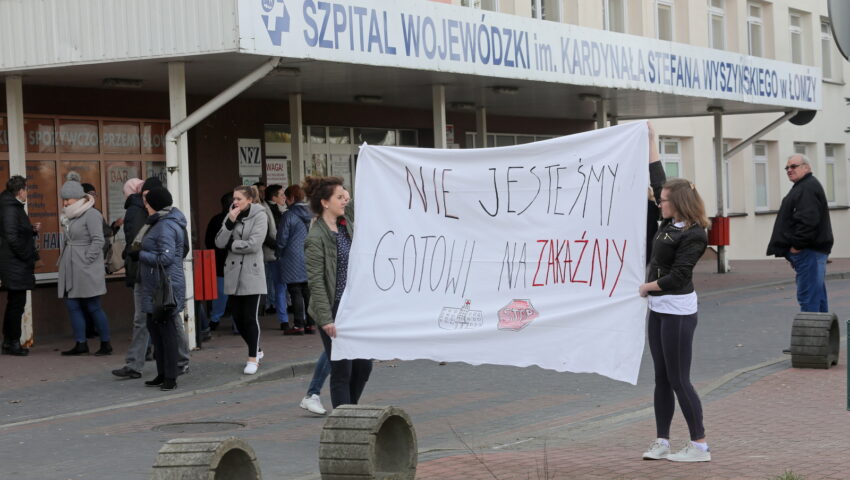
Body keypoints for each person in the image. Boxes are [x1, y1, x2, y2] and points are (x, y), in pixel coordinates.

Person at [639, 163, 711, 463]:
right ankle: (662, 441)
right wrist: (652, 141)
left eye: (665, 200)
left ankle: (699, 446)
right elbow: (659, 182)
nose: (659, 202)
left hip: (678, 311)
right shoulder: (669, 224)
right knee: (661, 379)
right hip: (658, 309)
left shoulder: (695, 235)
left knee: (680, 379)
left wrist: (648, 287)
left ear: (679, 203)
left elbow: (680, 276)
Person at [304, 176, 372, 409]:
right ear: (325, 202)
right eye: (339, 197)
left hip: (355, 308)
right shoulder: (316, 237)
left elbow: (363, 200)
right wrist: (325, 319)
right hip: (334, 310)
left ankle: (349, 413)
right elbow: (316, 282)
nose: (345, 200)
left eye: (346, 196)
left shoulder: (346, 223)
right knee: (342, 368)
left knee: (364, 366)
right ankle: (346, 418)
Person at [766, 154, 833, 313]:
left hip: (808, 252)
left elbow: (808, 221)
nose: (789, 170)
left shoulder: (806, 187)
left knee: (809, 298)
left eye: (793, 166)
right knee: (816, 297)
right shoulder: (804, 186)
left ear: (806, 167)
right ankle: (823, 335)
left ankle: (812, 336)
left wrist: (796, 247)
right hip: (810, 252)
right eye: (787, 167)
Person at [137, 187, 187, 391]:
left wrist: (140, 255)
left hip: (164, 285)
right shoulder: (159, 222)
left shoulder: (165, 225)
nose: (145, 205)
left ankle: (171, 377)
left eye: (147, 202)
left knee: (166, 332)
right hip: (155, 284)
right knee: (154, 329)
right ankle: (161, 373)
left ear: (154, 204)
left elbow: (166, 258)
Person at [215, 185, 268, 375]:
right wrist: (229, 223)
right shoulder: (231, 216)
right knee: (237, 317)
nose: (235, 202)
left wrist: (233, 244)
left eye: (239, 199)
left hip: (252, 273)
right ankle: (257, 348)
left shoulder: (260, 215)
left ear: (250, 200)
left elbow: (254, 244)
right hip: (233, 272)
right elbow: (219, 243)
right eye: (234, 199)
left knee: (249, 317)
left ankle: (252, 358)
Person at [57, 173, 112, 356]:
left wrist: (87, 259)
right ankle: (81, 343)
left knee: (93, 305)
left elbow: (98, 240)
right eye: (63, 200)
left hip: (86, 267)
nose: (65, 203)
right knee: (72, 305)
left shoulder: (92, 214)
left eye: (68, 199)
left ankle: (105, 343)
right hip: (71, 266)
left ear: (78, 197)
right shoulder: (70, 216)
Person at [0, 176, 39, 356]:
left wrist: (31, 231)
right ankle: (12, 342)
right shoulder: (10, 208)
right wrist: (26, 255)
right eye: (26, 190)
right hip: (15, 263)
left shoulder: (12, 206)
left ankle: (10, 341)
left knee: (16, 304)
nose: (27, 194)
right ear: (20, 190)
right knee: (16, 305)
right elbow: (11, 237)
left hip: (16, 263)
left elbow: (16, 232)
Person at [277, 184, 315, 335]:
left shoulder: (289, 215)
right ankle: (311, 324)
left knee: (295, 290)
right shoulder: (311, 213)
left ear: (292, 198)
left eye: (287, 198)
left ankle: (299, 324)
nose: (285, 201)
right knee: (307, 290)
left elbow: (282, 238)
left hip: (292, 256)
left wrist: (278, 252)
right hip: (309, 254)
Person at [205, 192, 233, 331]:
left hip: (219, 262)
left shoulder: (215, 220)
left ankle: (215, 319)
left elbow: (208, 242)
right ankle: (237, 323)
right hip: (235, 263)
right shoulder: (238, 220)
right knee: (236, 294)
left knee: (220, 294)